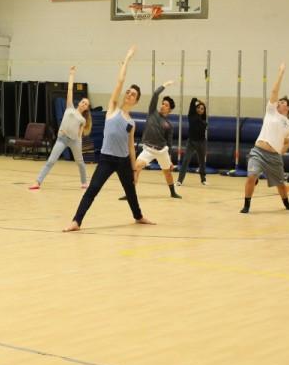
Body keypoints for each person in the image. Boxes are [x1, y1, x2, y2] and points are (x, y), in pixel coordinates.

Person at [65, 46, 155, 232]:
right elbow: (120, 81)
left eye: (133, 95)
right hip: (106, 158)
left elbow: (131, 147)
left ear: (136, 101)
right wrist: (127, 59)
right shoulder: (113, 109)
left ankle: (138, 216)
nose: (129, 94)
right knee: (93, 189)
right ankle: (76, 221)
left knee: (131, 191)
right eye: (128, 92)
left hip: (123, 161)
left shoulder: (132, 122)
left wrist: (132, 169)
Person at [241, 63, 289, 213]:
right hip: (258, 151)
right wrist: (281, 72)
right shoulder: (271, 111)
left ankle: (286, 203)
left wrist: (279, 153)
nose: (280, 102)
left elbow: (286, 143)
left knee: (280, 183)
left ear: (288, 107)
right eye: (279, 101)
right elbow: (274, 90)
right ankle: (247, 205)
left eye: (283, 102)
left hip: (274, 156)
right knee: (251, 176)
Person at [30, 66, 91, 189]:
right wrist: (71, 75)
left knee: (80, 162)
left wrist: (78, 141)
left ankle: (84, 182)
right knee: (51, 161)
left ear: (86, 108)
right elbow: (70, 90)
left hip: (75, 142)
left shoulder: (83, 120)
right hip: (62, 139)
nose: (84, 104)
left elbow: (79, 134)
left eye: (86, 104)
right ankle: (37, 182)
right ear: (79, 103)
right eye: (83, 102)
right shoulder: (69, 107)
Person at [129, 80, 181, 199]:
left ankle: (173, 192)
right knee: (136, 167)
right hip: (148, 149)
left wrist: (171, 160)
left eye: (166, 105)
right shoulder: (152, 112)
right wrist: (164, 85)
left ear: (170, 110)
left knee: (167, 172)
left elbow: (170, 143)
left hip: (162, 151)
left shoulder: (169, 125)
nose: (163, 105)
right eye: (163, 103)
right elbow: (155, 95)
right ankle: (130, 193)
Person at [177, 98, 208, 186]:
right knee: (186, 160)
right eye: (198, 108)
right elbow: (193, 100)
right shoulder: (191, 115)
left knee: (202, 161)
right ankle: (179, 180)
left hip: (201, 143)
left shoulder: (204, 120)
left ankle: (203, 179)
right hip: (191, 142)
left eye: (202, 109)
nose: (200, 110)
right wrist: (200, 101)